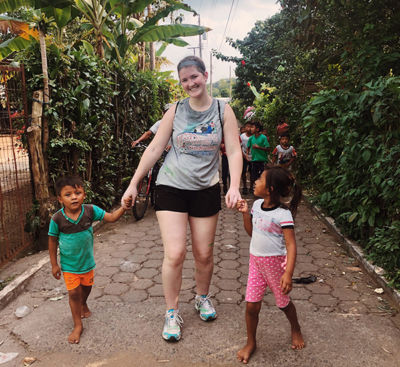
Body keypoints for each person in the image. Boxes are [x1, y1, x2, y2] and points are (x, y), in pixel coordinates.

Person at [121, 55, 242, 342]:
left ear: (205, 75)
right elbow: (154, 150)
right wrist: (133, 184)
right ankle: (171, 312)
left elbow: (235, 151)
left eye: (194, 77)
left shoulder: (224, 110)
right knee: (175, 253)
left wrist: (234, 186)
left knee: (204, 254)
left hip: (206, 189)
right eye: (184, 80)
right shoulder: (174, 111)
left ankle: (202, 297)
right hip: (171, 187)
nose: (190, 83)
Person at [48, 176, 131, 344]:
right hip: (69, 266)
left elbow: (112, 218)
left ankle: (84, 304)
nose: (74, 197)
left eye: (77, 193)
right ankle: (78, 325)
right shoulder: (57, 219)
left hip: (87, 264)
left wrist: (123, 207)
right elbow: (52, 240)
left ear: (84, 195)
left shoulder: (90, 211)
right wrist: (54, 264)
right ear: (60, 199)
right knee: (73, 293)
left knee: (86, 289)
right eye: (68, 194)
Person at [236, 165, 305, 364]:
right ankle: (251, 343)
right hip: (255, 262)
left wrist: (288, 274)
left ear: (270, 189)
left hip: (275, 265)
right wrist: (244, 214)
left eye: (260, 180)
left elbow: (291, 246)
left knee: (283, 304)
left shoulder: (283, 215)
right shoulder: (257, 205)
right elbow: (252, 233)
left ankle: (295, 328)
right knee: (251, 306)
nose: (255, 181)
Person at [247, 122, 270, 193]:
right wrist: (247, 155)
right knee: (254, 176)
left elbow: (268, 148)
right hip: (254, 160)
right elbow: (248, 147)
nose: (251, 129)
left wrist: (259, 147)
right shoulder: (251, 138)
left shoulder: (263, 137)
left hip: (262, 160)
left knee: (263, 176)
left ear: (257, 129)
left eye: (252, 127)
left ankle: (264, 190)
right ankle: (256, 190)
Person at [240, 121, 253, 195]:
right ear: (244, 128)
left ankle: (251, 187)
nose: (249, 128)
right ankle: (245, 187)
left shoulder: (254, 136)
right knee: (243, 172)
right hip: (244, 156)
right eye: (247, 126)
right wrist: (243, 155)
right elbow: (240, 146)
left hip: (253, 157)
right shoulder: (242, 136)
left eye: (250, 126)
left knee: (252, 173)